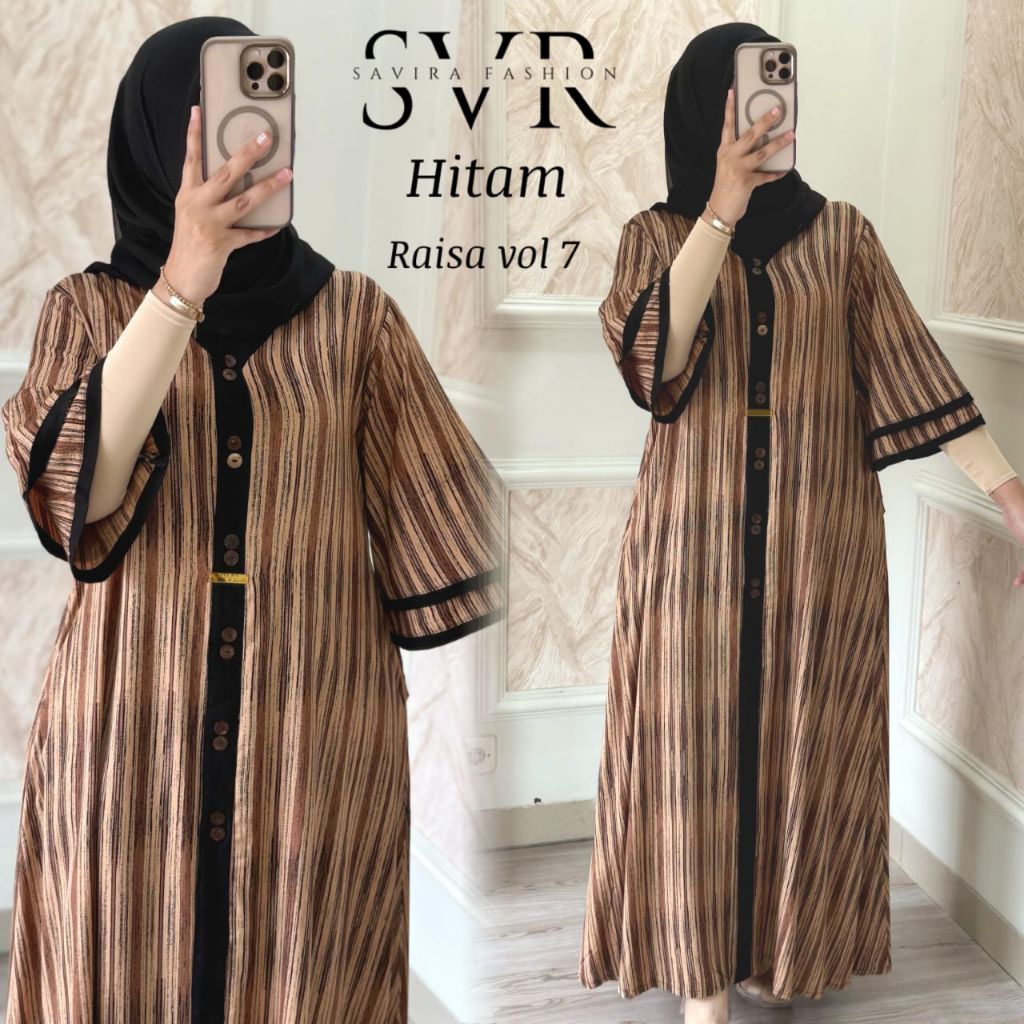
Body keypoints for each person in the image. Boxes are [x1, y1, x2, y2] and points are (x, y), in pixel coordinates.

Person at [1, 16, 504, 1024]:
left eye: (269, 120)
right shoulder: (87, 312)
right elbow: (74, 500)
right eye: (218, 126)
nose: (251, 147)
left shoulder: (355, 317)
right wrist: (181, 285)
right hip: (129, 736)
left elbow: (452, 525)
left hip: (312, 743)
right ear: (155, 145)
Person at [577, 22, 1023, 1024]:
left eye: (781, 90)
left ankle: (777, 951)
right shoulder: (654, 237)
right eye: (748, 94)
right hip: (688, 550)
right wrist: (722, 211)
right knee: (690, 750)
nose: (771, 113)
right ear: (706, 111)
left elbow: (915, 368)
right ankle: (700, 981)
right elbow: (656, 365)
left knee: (801, 746)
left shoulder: (845, 237)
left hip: (819, 552)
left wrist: (1007, 491)